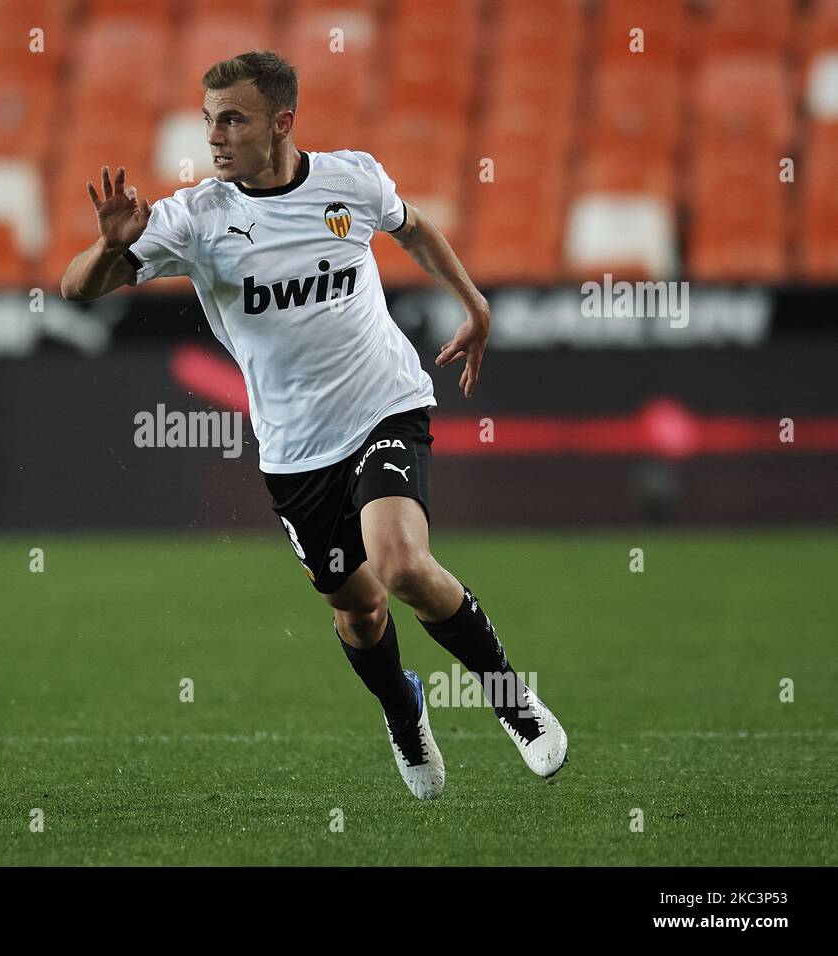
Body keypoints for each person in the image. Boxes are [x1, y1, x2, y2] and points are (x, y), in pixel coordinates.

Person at [61, 51, 566, 799]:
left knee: (398, 564)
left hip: (383, 404)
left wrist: (474, 301)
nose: (216, 136)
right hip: (295, 451)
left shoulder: (349, 180)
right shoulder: (196, 218)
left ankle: (510, 699)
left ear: (282, 123)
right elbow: (75, 291)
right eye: (209, 120)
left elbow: (415, 227)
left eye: (233, 118)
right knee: (359, 612)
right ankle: (404, 712)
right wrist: (109, 245)